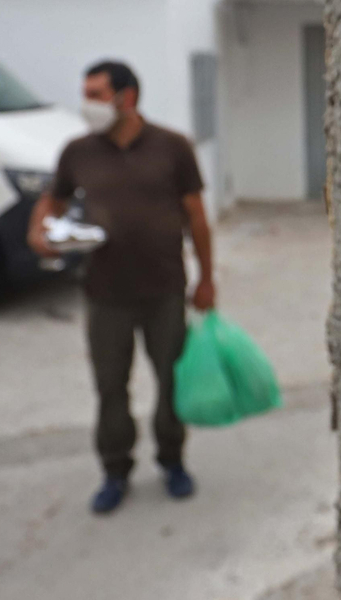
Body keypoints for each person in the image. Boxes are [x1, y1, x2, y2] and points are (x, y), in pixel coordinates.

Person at [28, 60, 216, 515]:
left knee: (170, 382)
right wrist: (40, 233)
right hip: (105, 293)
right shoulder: (78, 151)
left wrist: (207, 278)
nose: (86, 104)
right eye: (86, 93)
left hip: (165, 289)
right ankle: (115, 470)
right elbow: (51, 200)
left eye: (95, 94)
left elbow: (195, 215)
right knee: (111, 387)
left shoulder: (173, 147)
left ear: (126, 97)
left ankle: (172, 461)